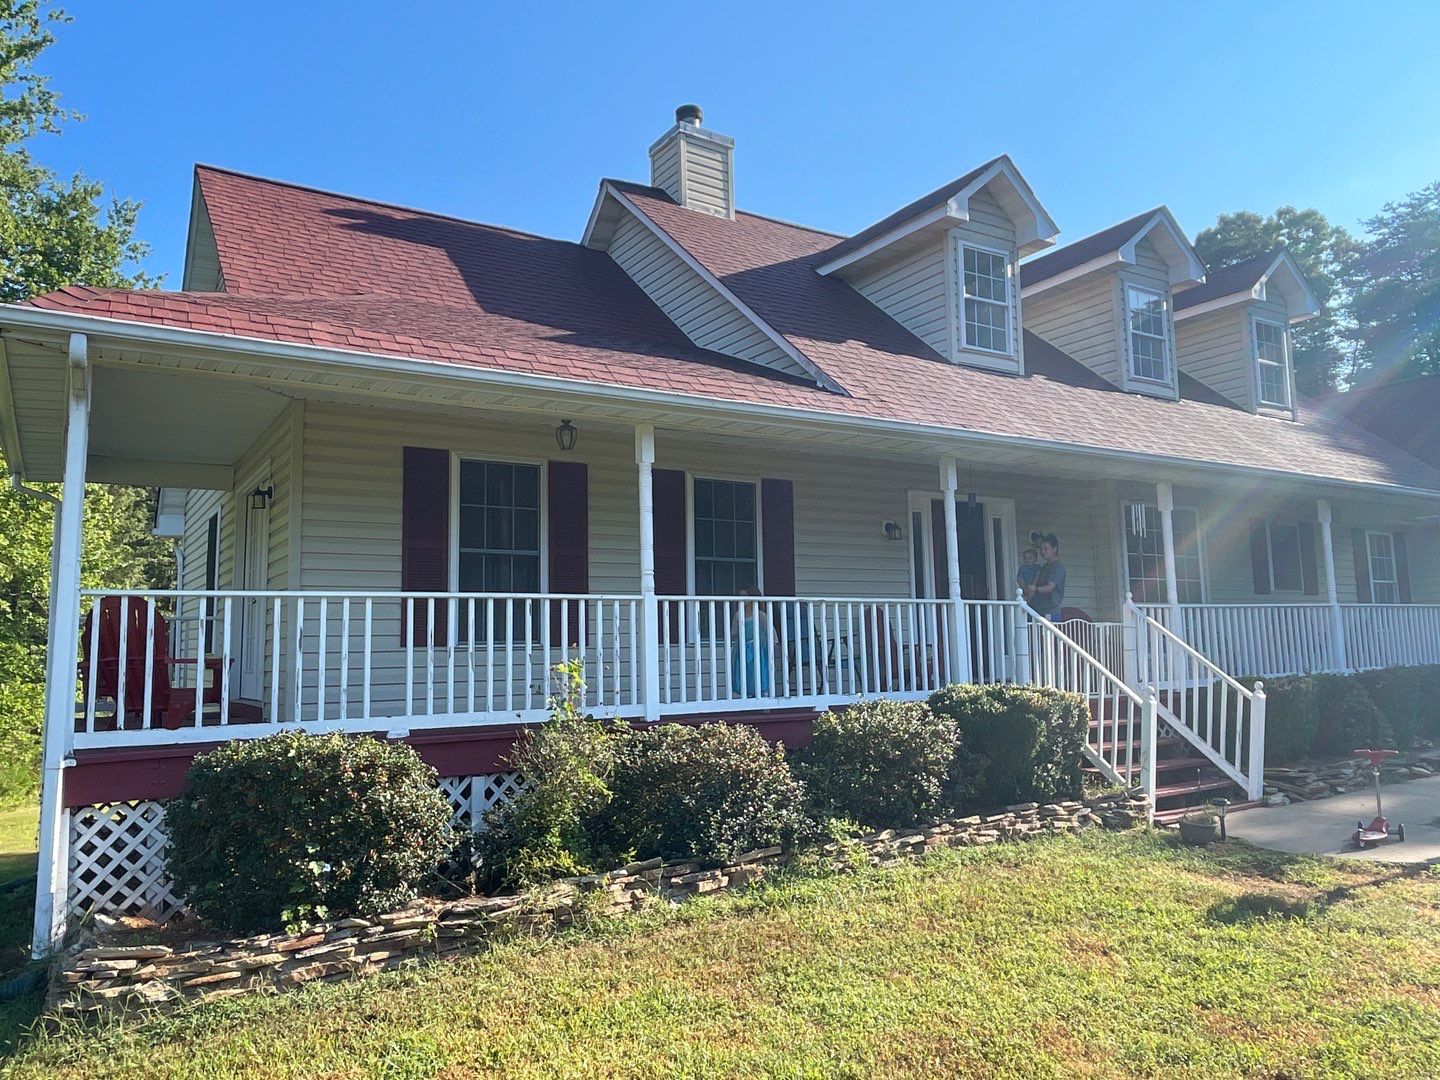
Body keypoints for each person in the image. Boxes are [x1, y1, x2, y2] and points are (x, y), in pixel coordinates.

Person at [730, 586, 773, 696]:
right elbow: (734, 633)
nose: (742, 599)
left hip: (757, 649)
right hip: (742, 648)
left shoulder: (761, 615)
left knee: (758, 671)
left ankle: (763, 695)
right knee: (744, 672)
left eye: (745, 596)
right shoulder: (738, 615)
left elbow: (771, 633)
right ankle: (746, 695)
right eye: (740, 597)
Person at [1028, 534, 1067, 620]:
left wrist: (1036, 589)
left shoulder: (1057, 567)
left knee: (1048, 634)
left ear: (1054, 549)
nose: (1042, 551)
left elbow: (1050, 587)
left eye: (1046, 549)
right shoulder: (1044, 567)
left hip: (1049, 611)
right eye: (1041, 549)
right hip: (1036, 610)